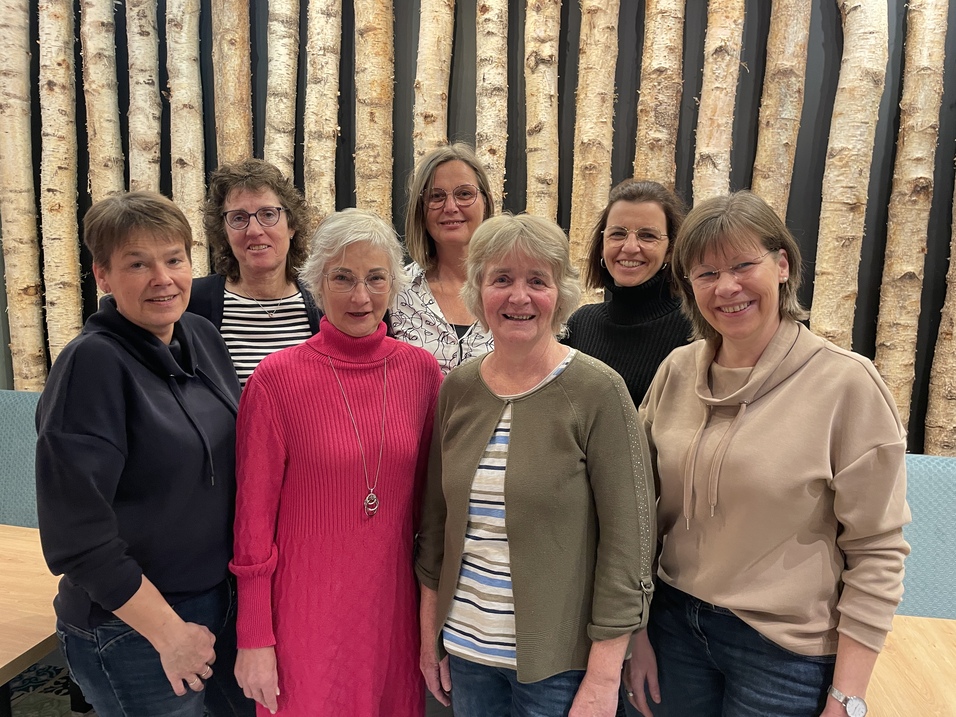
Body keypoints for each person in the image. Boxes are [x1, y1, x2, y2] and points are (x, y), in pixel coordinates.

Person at [627, 191, 910, 717]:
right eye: (706, 273)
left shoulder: (845, 384)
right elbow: (640, 515)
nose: (727, 287)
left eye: (743, 265)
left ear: (782, 265)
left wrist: (847, 698)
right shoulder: (676, 372)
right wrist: (635, 632)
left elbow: (877, 550)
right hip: (672, 630)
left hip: (783, 654)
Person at [417, 213, 657, 717]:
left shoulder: (599, 391)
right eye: (501, 279)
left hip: (561, 667)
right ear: (479, 290)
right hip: (467, 653)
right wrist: (429, 637)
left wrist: (604, 673)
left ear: (560, 293)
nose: (518, 297)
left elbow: (628, 544)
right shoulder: (458, 389)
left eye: (536, 281)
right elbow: (435, 528)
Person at [35, 191, 253, 717]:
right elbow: (76, 538)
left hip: (218, 602)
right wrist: (169, 634)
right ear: (103, 276)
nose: (163, 278)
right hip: (134, 626)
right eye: (138, 263)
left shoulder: (200, 336)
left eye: (174, 259)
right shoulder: (91, 367)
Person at [230, 208, 443, 716]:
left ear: (394, 285)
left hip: (390, 607)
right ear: (317, 282)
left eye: (375, 279)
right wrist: (254, 636)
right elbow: (252, 522)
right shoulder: (277, 379)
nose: (361, 297)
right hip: (305, 612)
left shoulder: (421, 372)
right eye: (342, 278)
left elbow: (432, 509)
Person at [189, 158, 321, 386]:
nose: (254, 230)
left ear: (291, 225)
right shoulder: (192, 304)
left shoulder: (324, 303)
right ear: (224, 232)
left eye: (268, 214)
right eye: (238, 218)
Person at [564, 179, 691, 406]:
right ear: (602, 244)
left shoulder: (693, 329)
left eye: (648, 236)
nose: (630, 247)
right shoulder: (580, 325)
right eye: (618, 234)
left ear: (671, 250)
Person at [391, 142, 496, 373]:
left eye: (464, 194)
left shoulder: (514, 290)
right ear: (421, 209)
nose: (450, 207)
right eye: (436, 196)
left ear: (486, 202)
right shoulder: (396, 291)